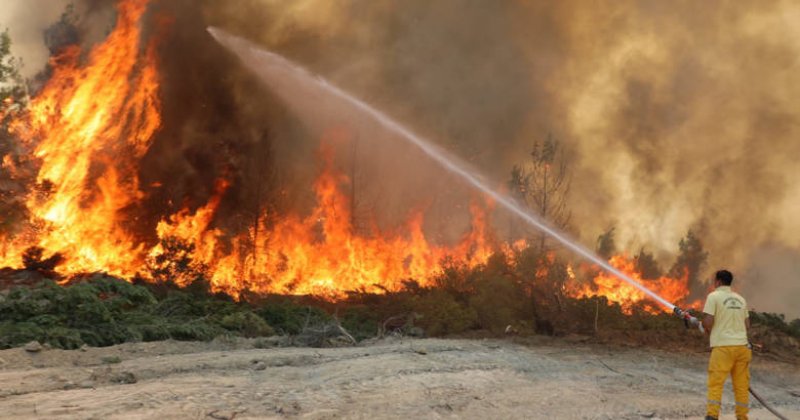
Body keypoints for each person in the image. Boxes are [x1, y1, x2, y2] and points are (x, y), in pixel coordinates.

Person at [702, 269, 751, 420]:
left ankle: (712, 415)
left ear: (718, 281)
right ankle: (742, 417)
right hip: (743, 348)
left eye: (714, 280)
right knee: (741, 386)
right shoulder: (741, 299)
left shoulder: (713, 296)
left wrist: (702, 325)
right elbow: (747, 325)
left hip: (723, 348)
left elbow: (708, 322)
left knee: (716, 383)